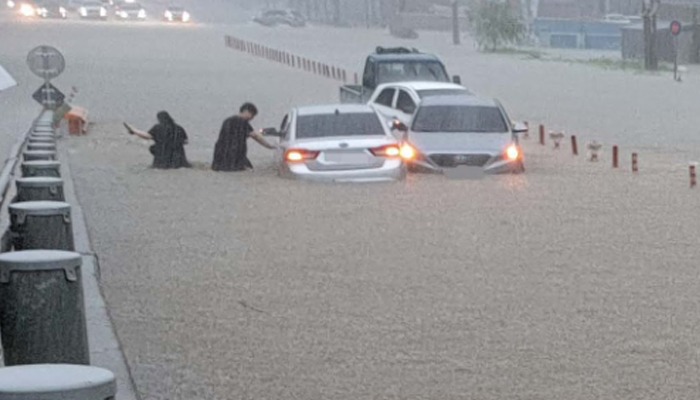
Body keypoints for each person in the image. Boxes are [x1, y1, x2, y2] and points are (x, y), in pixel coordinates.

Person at [211, 102, 276, 172]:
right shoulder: (243, 122)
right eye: (252, 115)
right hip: (235, 157)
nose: (252, 118)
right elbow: (256, 136)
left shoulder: (227, 121)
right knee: (249, 170)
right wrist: (270, 146)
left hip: (220, 154)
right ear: (246, 111)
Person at [124, 111, 191, 169]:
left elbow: (147, 136)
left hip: (162, 159)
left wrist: (134, 131)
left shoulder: (158, 127)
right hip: (179, 159)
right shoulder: (179, 128)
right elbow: (186, 141)